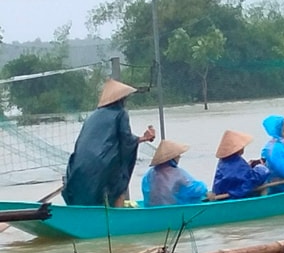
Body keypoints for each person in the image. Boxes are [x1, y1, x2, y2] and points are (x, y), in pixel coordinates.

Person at [61, 79, 155, 207]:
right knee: (120, 182)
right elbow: (126, 141)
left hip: (79, 164)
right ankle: (118, 216)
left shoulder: (93, 116)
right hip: (103, 163)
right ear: (121, 99)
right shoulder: (121, 113)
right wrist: (143, 138)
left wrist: (141, 139)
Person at [141, 139, 208, 206]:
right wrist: (205, 190)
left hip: (153, 210)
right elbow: (197, 189)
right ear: (173, 157)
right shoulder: (178, 174)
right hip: (173, 209)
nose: (179, 157)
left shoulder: (149, 174)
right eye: (178, 155)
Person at [212, 130, 270, 200]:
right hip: (235, 196)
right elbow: (251, 180)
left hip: (223, 194)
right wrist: (261, 167)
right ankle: (263, 201)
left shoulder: (224, 162)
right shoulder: (237, 163)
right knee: (264, 182)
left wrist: (249, 166)